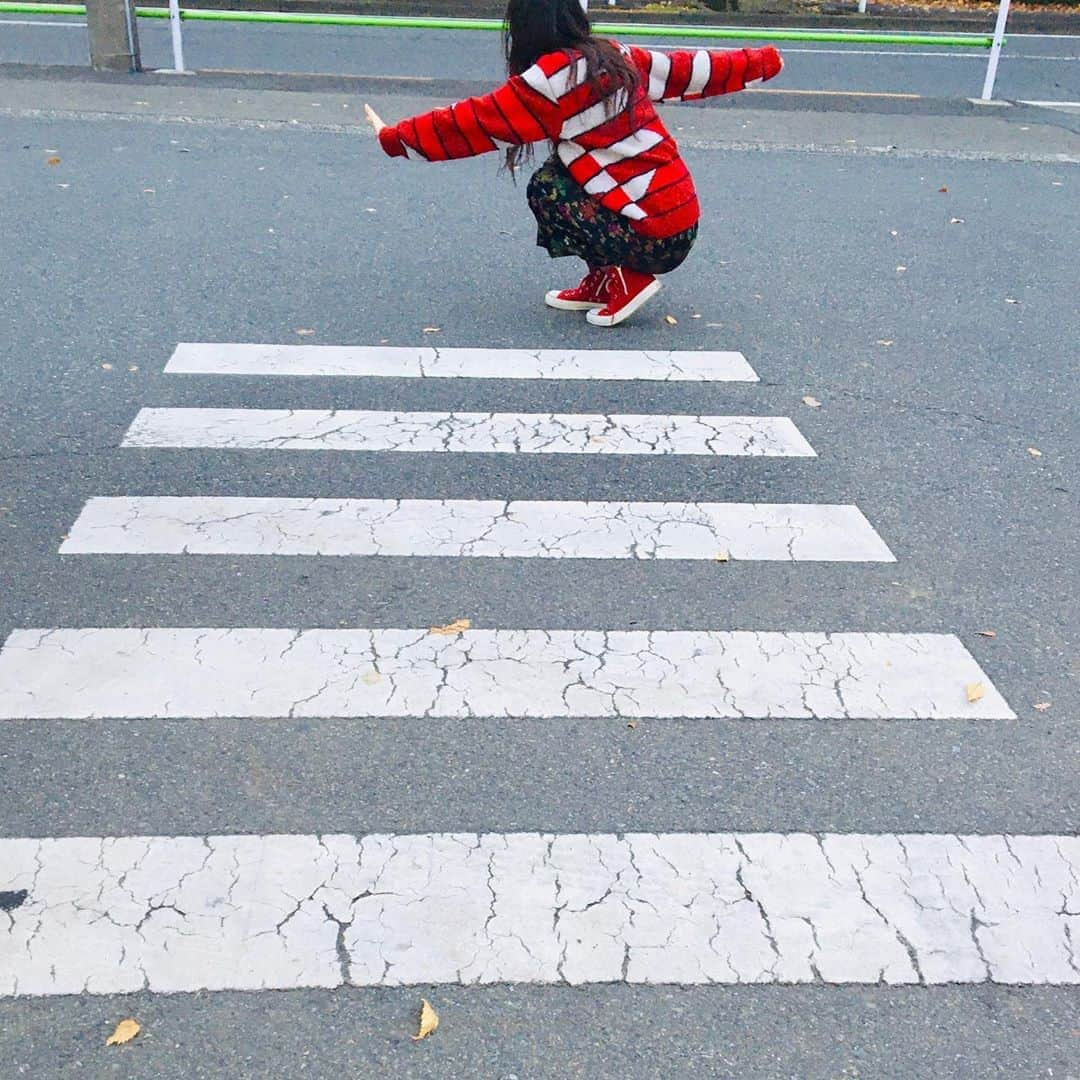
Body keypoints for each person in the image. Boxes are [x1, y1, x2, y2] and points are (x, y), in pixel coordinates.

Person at [364, 0, 783, 327]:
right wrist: (763, 60)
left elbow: (472, 123)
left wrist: (394, 137)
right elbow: (687, 70)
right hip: (683, 222)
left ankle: (628, 278)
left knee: (547, 188)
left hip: (652, 233)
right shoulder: (613, 55)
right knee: (565, 171)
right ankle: (606, 276)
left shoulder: (548, 83)